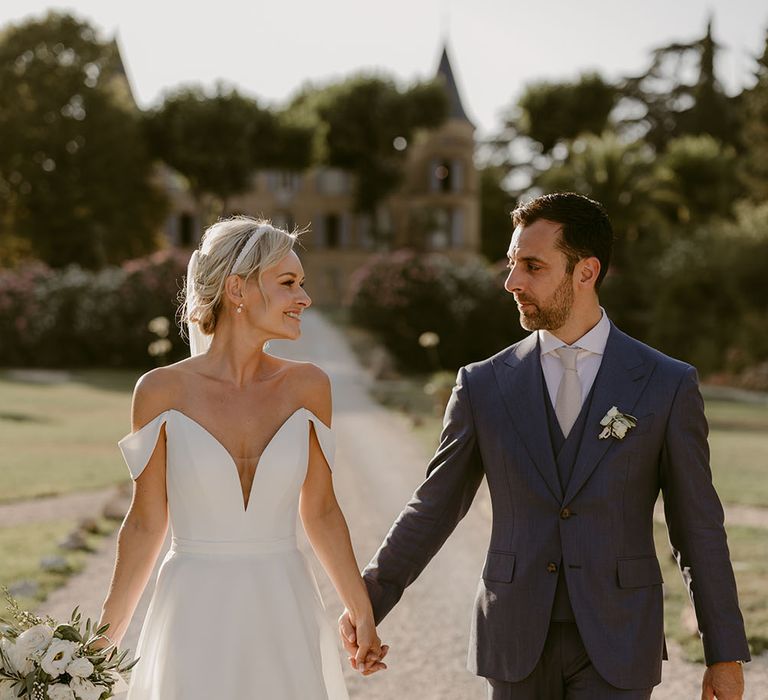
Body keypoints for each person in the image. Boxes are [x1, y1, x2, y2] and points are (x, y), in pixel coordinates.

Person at [340, 193, 750, 699]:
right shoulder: (483, 385)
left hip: (619, 637)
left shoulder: (665, 384)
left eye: (533, 266)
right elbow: (434, 506)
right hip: (515, 635)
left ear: (586, 272)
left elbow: (697, 526)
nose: (512, 282)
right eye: (512, 264)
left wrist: (723, 653)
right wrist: (368, 602)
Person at [97, 216, 385, 699]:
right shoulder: (161, 390)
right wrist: (100, 644)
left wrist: (361, 611)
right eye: (289, 283)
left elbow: (321, 510)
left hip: (283, 604)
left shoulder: (310, 386)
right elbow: (146, 522)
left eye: (302, 284)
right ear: (238, 289)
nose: (304, 298)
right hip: (193, 609)